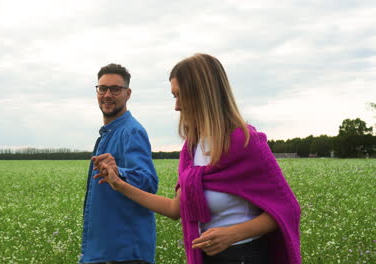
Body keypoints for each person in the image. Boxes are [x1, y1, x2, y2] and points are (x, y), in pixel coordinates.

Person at [93, 54, 301, 264]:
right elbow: (175, 209)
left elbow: (287, 209)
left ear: (203, 94)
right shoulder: (191, 149)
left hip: (247, 256)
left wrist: (234, 233)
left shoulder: (246, 142)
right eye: (174, 96)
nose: (177, 106)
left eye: (180, 95)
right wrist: (118, 184)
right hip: (208, 258)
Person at [80, 63, 159, 264]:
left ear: (128, 93)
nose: (107, 95)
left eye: (115, 89)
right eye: (102, 88)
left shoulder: (131, 131)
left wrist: (119, 172)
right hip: (104, 250)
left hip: (125, 252)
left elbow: (149, 182)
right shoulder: (109, 133)